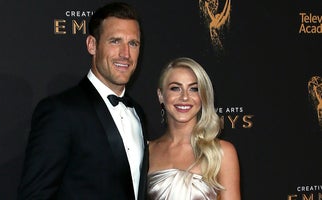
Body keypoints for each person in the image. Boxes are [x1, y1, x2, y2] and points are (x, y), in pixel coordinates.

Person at [17, 2, 148, 199]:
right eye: (115, 41)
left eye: (133, 43)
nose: (125, 54)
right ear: (92, 45)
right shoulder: (60, 112)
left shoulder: (137, 113)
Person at [148, 57, 240, 200]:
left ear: (203, 96)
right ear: (161, 95)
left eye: (194, 89)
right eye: (175, 88)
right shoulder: (147, 151)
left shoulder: (222, 152)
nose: (185, 97)